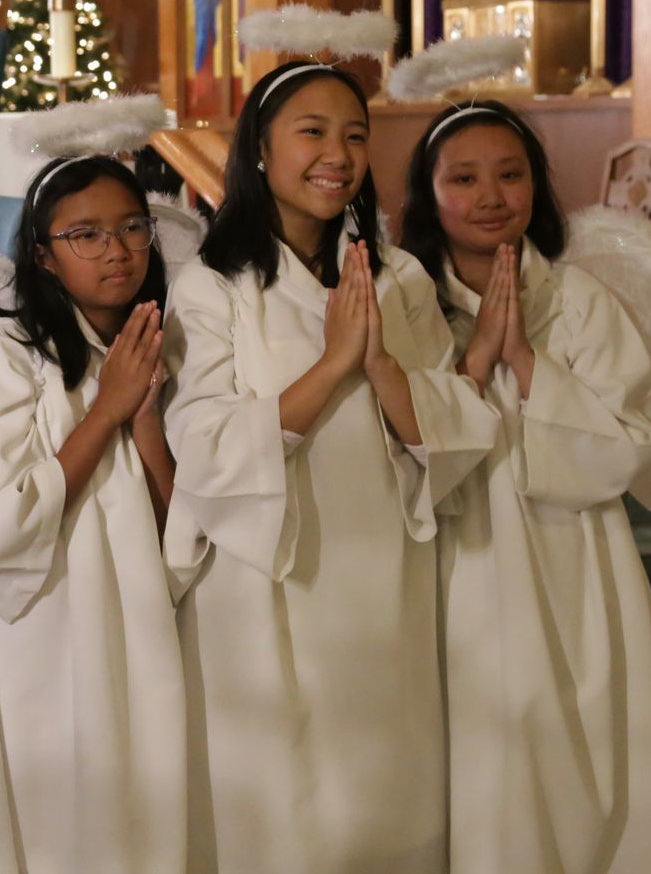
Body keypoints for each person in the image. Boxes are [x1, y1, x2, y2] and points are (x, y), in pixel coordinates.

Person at [163, 60, 501, 873]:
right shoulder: (212, 287)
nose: (338, 155)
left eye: (354, 136)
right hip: (267, 579)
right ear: (259, 149)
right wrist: (333, 364)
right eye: (312, 132)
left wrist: (379, 364)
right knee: (287, 812)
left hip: (384, 572)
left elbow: (453, 424)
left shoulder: (397, 276)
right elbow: (204, 446)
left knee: (384, 799)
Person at [399, 100, 651, 873]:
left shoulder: (580, 301)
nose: (490, 196)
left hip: (573, 553)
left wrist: (525, 361)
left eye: (510, 175)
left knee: (588, 736)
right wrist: (474, 361)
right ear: (427, 194)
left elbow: (626, 445)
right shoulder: (405, 304)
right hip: (455, 552)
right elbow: (398, 444)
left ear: (537, 188)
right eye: (463, 179)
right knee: (479, 736)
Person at [0, 155, 185, 873]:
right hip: (43, 624)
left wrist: (146, 421)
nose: (117, 250)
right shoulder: (5, 354)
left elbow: (181, 529)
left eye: (132, 228)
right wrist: (106, 410)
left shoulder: (160, 338)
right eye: (87, 235)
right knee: (56, 821)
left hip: (139, 618)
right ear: (42, 254)